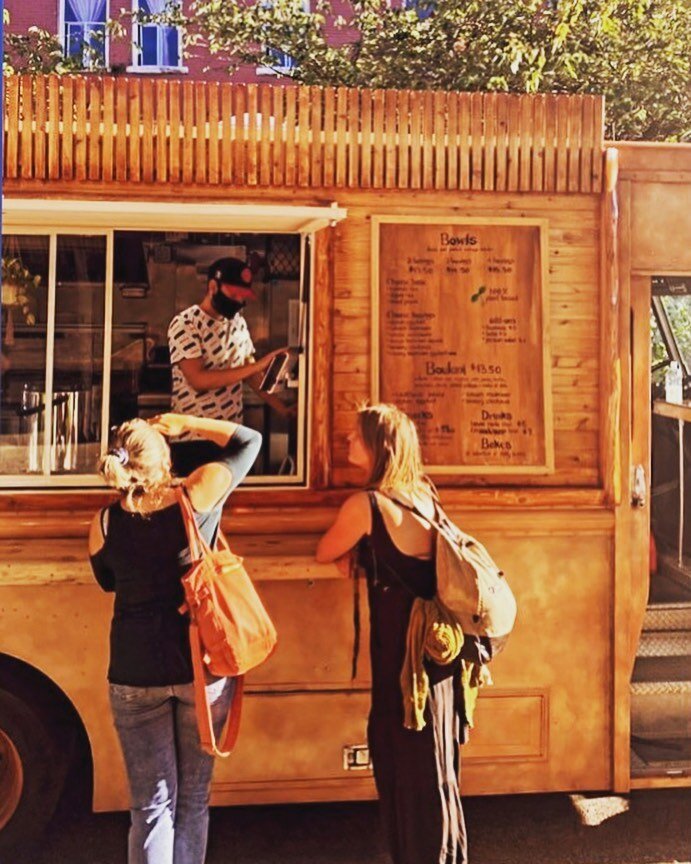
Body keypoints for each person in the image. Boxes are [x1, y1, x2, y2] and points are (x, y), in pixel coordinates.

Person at [88, 412, 262, 864]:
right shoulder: (197, 496)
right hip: (199, 670)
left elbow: (108, 581)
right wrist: (185, 421)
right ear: (163, 457)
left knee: (150, 808)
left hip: (132, 674)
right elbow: (249, 441)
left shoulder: (103, 524)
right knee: (191, 801)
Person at [316, 403, 468, 864]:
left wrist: (357, 552)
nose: (346, 444)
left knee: (408, 774)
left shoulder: (367, 506)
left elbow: (326, 550)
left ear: (378, 448)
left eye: (354, 438)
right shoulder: (424, 494)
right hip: (438, 657)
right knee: (439, 772)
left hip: (403, 667)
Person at [167, 257, 290, 475]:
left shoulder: (238, 324)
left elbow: (252, 376)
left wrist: (284, 410)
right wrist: (257, 365)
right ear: (213, 287)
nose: (238, 301)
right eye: (233, 295)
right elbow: (198, 380)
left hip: (231, 436)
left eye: (242, 297)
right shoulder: (185, 323)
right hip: (193, 440)